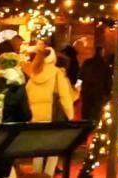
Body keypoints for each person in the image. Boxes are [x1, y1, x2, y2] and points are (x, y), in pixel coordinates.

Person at [24, 45, 77, 176]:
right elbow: (65, 97)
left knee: (37, 148)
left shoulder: (34, 73)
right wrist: (69, 116)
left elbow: (27, 94)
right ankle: (48, 173)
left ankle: (36, 173)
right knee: (54, 148)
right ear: (54, 59)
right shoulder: (57, 73)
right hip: (52, 117)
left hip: (35, 117)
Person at [76, 49, 111, 131]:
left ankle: (84, 128)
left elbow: (80, 76)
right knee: (97, 112)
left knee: (86, 110)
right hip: (99, 92)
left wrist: (77, 88)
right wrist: (108, 93)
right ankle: (94, 128)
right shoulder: (105, 65)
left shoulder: (87, 62)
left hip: (86, 90)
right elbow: (108, 81)